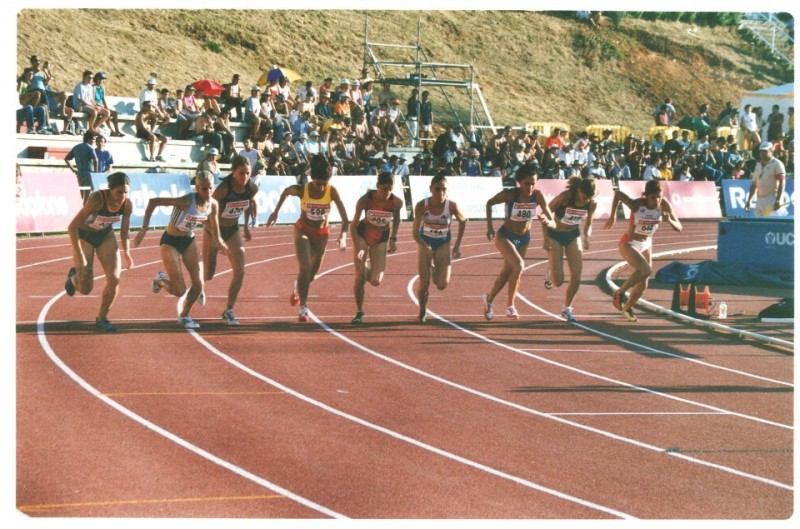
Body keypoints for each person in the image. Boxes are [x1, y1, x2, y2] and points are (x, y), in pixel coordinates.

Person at [133, 171, 229, 329]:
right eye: (204, 189)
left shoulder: (213, 204)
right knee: (180, 290)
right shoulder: (186, 201)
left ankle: (184, 316)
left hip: (188, 240)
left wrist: (220, 242)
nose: (208, 192)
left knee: (199, 285)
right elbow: (153, 201)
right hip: (170, 241)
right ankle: (159, 280)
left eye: (210, 188)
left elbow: (213, 226)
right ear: (197, 187)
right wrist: (143, 229)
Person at [266, 154, 349, 322]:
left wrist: (343, 236)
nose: (321, 187)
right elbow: (286, 191)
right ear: (312, 179)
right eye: (318, 183)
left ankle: (297, 289)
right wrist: (275, 212)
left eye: (324, 183)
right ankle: (303, 308)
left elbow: (346, 218)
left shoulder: (331, 191)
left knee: (311, 275)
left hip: (321, 234)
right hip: (303, 230)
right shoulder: (303, 189)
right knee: (304, 268)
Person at [603, 180, 682, 322]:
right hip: (629, 243)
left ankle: (627, 308)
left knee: (643, 285)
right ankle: (620, 293)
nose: (657, 200)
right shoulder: (637, 205)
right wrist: (612, 215)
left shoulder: (664, 205)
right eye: (653, 197)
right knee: (646, 270)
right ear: (646, 196)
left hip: (646, 244)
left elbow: (679, 227)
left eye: (659, 196)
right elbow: (618, 194)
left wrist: (669, 220)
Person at [64, 172, 133, 332]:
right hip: (85, 236)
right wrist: (80, 255)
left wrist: (127, 252)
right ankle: (73, 279)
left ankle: (102, 318)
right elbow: (72, 227)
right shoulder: (97, 199)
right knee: (86, 288)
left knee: (115, 279)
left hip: (105, 236)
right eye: (119, 192)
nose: (122, 196)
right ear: (110, 189)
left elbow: (124, 231)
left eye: (126, 192)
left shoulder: (127, 205)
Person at [482, 165, 554, 321]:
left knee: (506, 274)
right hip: (505, 236)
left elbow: (550, 217)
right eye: (527, 183)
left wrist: (548, 221)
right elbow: (489, 203)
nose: (530, 187)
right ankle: (510, 306)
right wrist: (489, 227)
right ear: (519, 182)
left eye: (533, 183)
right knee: (519, 265)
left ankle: (489, 299)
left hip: (524, 238)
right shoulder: (510, 194)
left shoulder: (538, 196)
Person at [202, 155, 258, 326]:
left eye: (248, 173)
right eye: (241, 173)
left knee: (240, 269)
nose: (245, 177)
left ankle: (229, 309)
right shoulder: (223, 190)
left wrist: (247, 226)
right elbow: (209, 213)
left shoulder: (252, 188)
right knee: (209, 274)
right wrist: (217, 237)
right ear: (233, 172)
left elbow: (248, 203)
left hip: (233, 230)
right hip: (213, 229)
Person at [349, 172, 404, 324]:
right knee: (360, 277)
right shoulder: (365, 200)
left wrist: (393, 238)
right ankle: (359, 311)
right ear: (377, 186)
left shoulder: (396, 203)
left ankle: (364, 267)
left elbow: (397, 219)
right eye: (384, 189)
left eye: (390, 189)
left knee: (376, 280)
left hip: (381, 237)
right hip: (362, 234)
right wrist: (358, 246)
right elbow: (353, 225)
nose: (387, 193)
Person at [412, 174, 468, 323]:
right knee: (424, 283)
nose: (441, 193)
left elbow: (463, 220)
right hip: (425, 242)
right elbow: (414, 233)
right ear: (430, 189)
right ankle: (422, 310)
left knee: (442, 284)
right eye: (437, 189)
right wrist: (424, 245)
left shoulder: (451, 206)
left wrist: (457, 245)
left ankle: (432, 268)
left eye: (444, 190)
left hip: (443, 243)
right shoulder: (421, 205)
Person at [542, 177, 598, 322]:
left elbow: (589, 223)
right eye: (584, 197)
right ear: (578, 190)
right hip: (555, 235)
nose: (586, 200)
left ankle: (567, 308)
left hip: (573, 235)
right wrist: (546, 238)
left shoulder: (591, 202)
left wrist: (587, 236)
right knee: (558, 281)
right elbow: (545, 212)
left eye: (589, 197)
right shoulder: (565, 197)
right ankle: (551, 268)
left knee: (577, 275)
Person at [744, 142, 787, 217]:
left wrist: (778, 200)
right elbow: (754, 185)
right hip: (760, 200)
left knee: (773, 225)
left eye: (765, 151)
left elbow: (782, 183)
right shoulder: (758, 165)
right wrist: (749, 201)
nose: (762, 153)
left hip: (772, 199)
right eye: (761, 151)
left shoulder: (777, 164)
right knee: (758, 225)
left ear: (771, 151)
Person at [64, 130, 98, 200]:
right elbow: (96, 160)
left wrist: (73, 169)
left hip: (79, 173)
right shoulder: (90, 148)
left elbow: (67, 159)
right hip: (89, 174)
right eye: (94, 139)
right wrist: (96, 173)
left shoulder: (77, 147)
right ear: (89, 139)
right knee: (88, 196)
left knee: (81, 196)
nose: (94, 141)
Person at [92, 72, 125, 137]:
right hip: (95, 105)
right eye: (100, 79)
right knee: (107, 113)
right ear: (96, 79)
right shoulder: (94, 87)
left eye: (103, 79)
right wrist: (97, 106)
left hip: (100, 105)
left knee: (114, 113)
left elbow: (103, 99)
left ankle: (116, 130)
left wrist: (106, 107)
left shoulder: (102, 87)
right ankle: (96, 128)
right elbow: (92, 99)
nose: (101, 81)